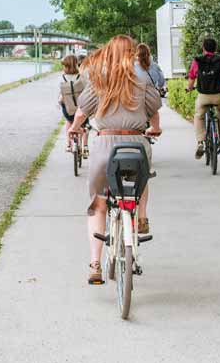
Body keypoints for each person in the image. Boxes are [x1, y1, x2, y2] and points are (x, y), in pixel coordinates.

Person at [69, 35, 161, 285]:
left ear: (108, 52)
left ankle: (95, 264)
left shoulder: (99, 78)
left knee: (98, 205)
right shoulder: (143, 77)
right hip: (136, 144)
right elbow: (153, 109)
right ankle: (141, 217)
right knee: (143, 176)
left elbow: (82, 112)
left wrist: (74, 129)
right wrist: (155, 128)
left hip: (105, 147)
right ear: (132, 52)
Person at [186, 38, 220, 159]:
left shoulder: (197, 61)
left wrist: (189, 88)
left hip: (203, 96)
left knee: (199, 116)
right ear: (215, 48)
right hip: (219, 95)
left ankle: (200, 142)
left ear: (203, 48)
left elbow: (191, 77)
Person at [58, 54, 87, 152]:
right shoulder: (82, 77)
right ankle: (84, 146)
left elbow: (60, 95)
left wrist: (60, 102)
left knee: (69, 122)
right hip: (80, 107)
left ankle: (69, 145)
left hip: (68, 108)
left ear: (65, 66)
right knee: (83, 124)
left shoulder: (62, 78)